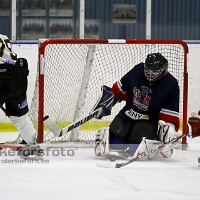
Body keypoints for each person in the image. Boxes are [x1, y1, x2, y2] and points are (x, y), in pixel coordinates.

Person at [92, 52, 180, 160]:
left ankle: (137, 142)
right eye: (148, 71)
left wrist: (168, 134)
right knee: (114, 144)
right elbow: (120, 90)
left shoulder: (170, 84)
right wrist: (107, 102)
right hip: (128, 114)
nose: (150, 75)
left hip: (148, 120)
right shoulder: (138, 70)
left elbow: (170, 113)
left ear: (163, 71)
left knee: (135, 149)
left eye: (154, 72)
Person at [0, 34, 41, 157]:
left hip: (2, 79)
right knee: (19, 116)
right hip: (19, 78)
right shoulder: (3, 36)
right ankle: (31, 143)